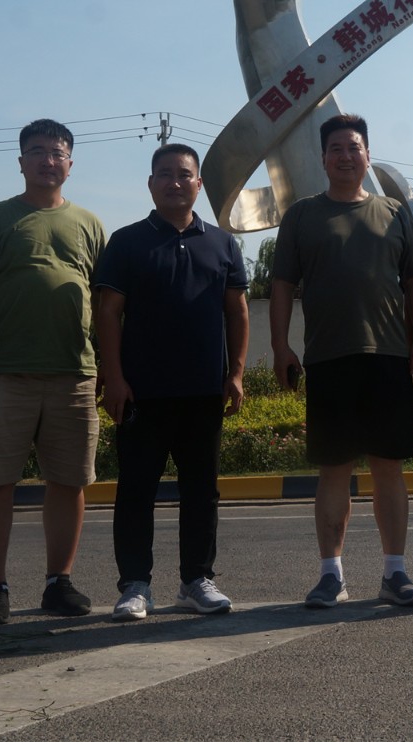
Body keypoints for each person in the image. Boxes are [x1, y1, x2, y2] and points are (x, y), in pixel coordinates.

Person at [270, 113, 413, 609]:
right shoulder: (302, 215)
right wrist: (280, 346)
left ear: (367, 155)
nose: (346, 155)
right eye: (336, 148)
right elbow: (282, 286)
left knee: (389, 469)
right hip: (328, 357)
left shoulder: (394, 212)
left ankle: (395, 572)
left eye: (354, 147)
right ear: (323, 158)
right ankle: (331, 576)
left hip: (388, 356)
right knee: (333, 470)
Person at [0, 119, 106, 625]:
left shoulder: (89, 223)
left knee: (69, 481)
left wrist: (110, 367)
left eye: (57, 152)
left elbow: (107, 302)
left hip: (75, 373)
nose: (48, 160)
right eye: (37, 151)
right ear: (21, 162)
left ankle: (58, 581)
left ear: (70, 164)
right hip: (3, 374)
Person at [93, 143, 249, 622]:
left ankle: (196, 580)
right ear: (150, 184)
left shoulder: (222, 243)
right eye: (165, 174)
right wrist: (114, 377)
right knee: (135, 490)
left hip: (203, 390)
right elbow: (108, 313)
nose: (175, 182)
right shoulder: (126, 242)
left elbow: (237, 312)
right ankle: (135, 586)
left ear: (199, 183)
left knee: (201, 491)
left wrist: (236, 372)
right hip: (141, 392)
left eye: (184, 174)